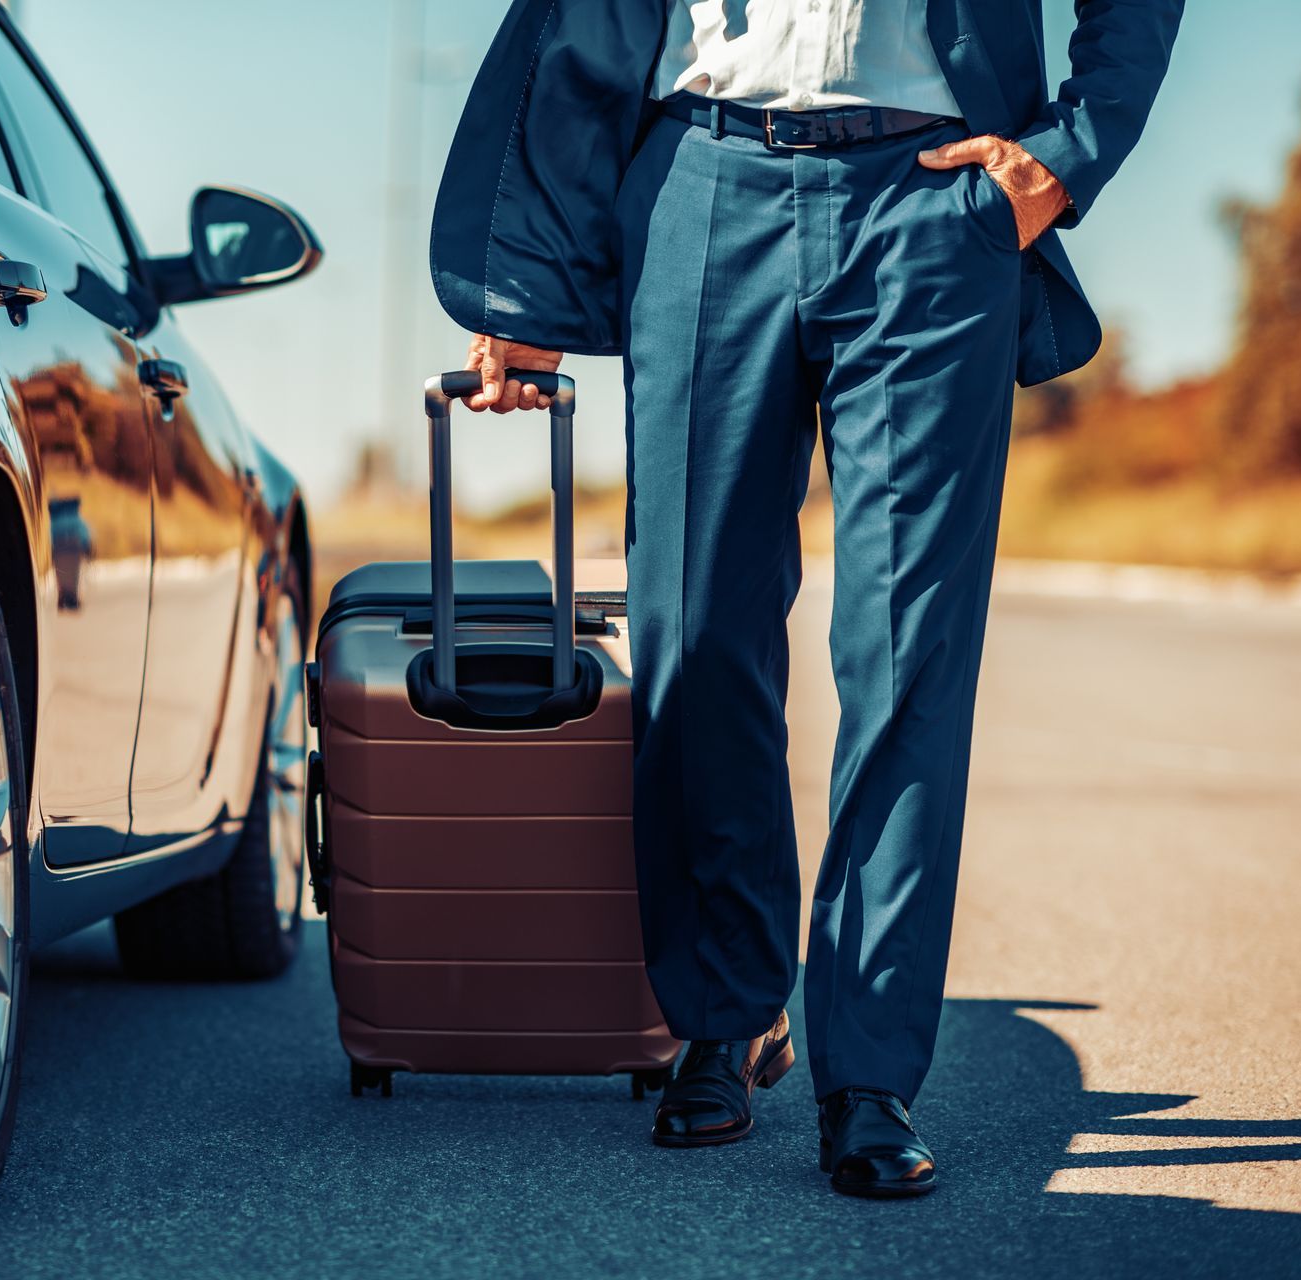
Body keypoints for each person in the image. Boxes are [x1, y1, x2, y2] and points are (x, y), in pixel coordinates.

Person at [431, 0, 1180, 1197]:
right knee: (692, 631)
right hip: (695, 181)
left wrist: (1070, 151)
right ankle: (726, 1015)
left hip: (936, 200)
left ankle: (870, 1073)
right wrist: (530, 283)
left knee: (907, 654)